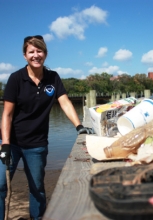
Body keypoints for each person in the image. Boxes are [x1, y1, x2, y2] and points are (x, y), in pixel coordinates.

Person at [0, 35, 94, 220]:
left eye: (39, 50)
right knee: (1, 185)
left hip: (36, 144)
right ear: (25, 55)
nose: (36, 55)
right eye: (31, 51)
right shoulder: (16, 79)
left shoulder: (53, 77)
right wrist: (5, 144)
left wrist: (79, 126)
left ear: (45, 53)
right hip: (11, 143)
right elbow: (7, 114)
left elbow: (65, 103)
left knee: (37, 187)